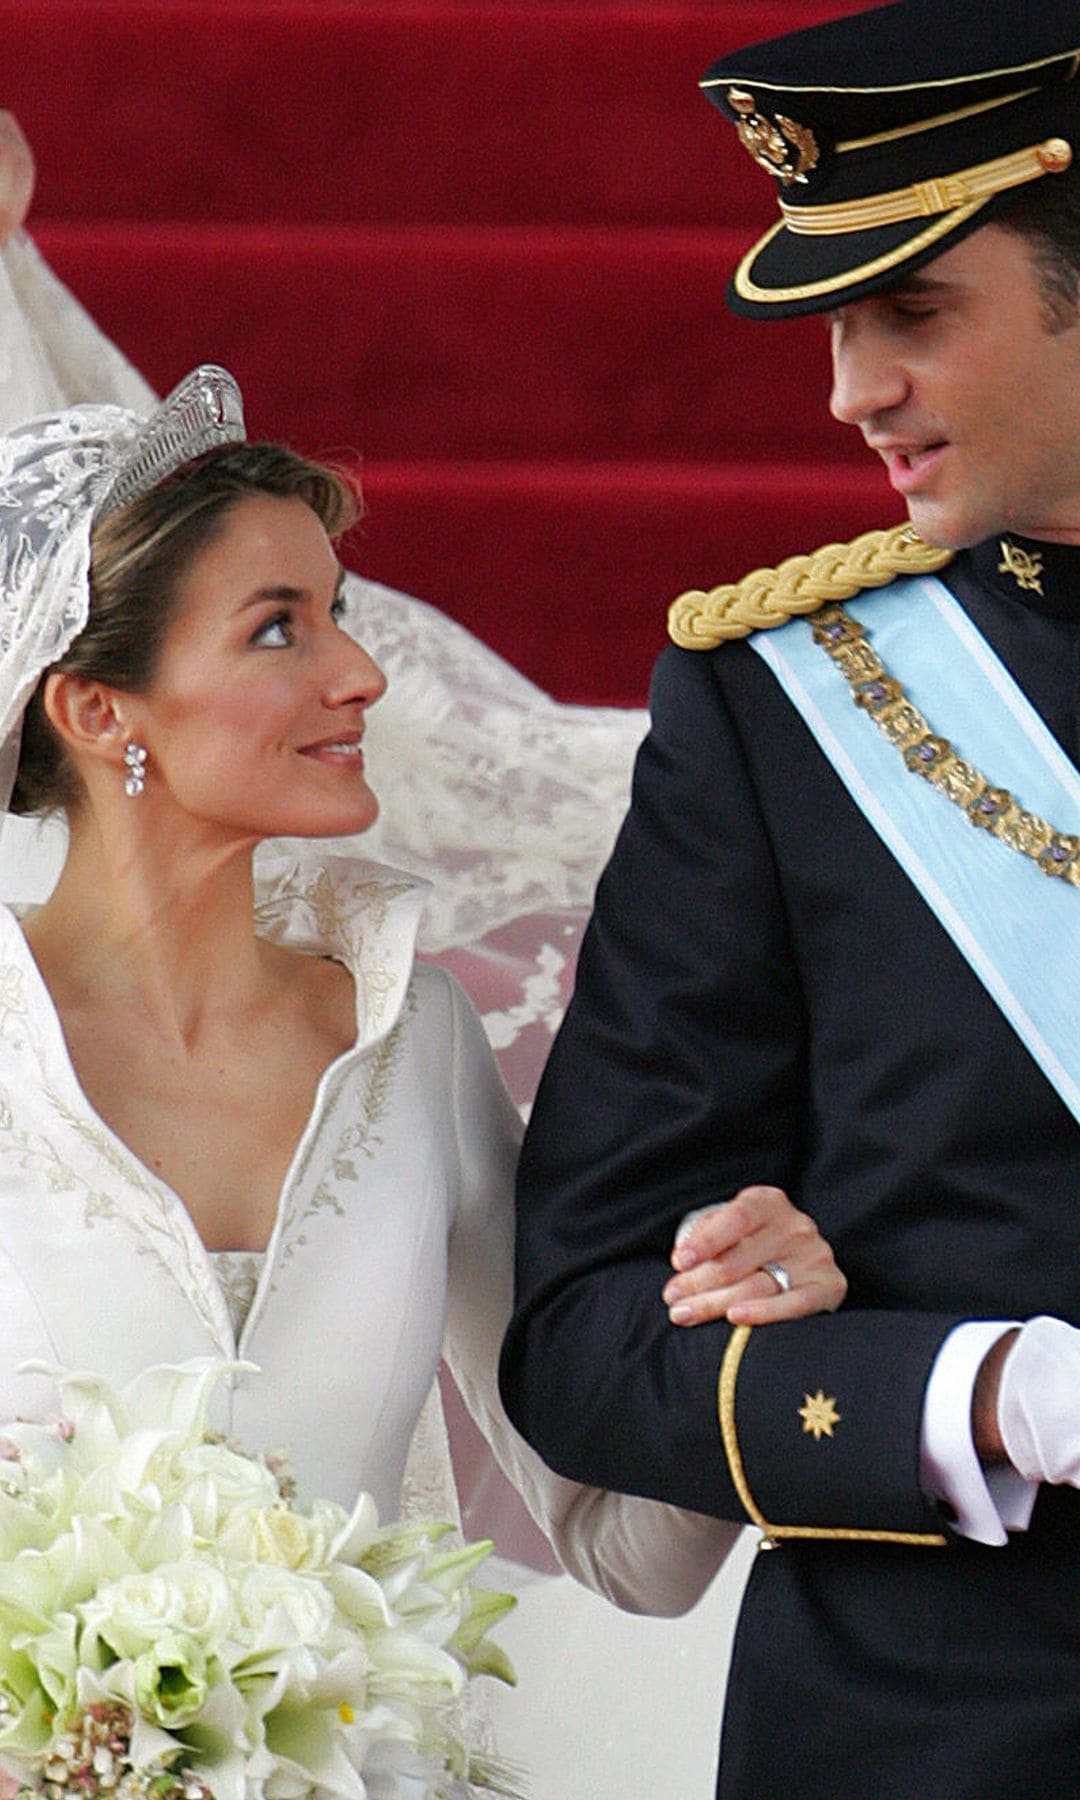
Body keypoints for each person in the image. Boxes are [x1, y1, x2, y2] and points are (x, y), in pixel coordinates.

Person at [0, 361, 853, 1780]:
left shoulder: (418, 1037)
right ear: (98, 711)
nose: (364, 671)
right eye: (282, 628)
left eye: (338, 612)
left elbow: (620, 1551)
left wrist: (740, 1344)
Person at [499, 2, 1080, 1795]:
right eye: (837, 322)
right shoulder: (783, 705)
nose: (849, 389)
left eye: (912, 312)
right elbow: (587, 1332)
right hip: (945, 1727)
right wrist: (972, 1396)